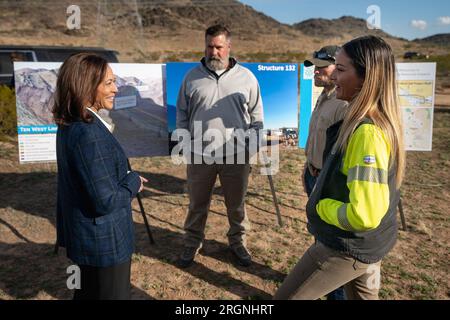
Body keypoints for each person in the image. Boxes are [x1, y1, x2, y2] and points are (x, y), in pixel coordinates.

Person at [274, 35, 405, 300]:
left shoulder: (366, 132)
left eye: (341, 70)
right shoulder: (367, 120)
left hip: (346, 247)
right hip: (365, 246)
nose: (333, 77)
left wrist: (320, 205)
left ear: (367, 77)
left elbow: (364, 215)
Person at [52, 53, 147, 300]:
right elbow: (105, 201)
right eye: (108, 83)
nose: (116, 89)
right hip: (104, 244)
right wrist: (133, 182)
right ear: (86, 85)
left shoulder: (70, 123)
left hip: (87, 239)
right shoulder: (88, 134)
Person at [176, 24, 263, 268]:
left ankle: (238, 242)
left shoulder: (247, 77)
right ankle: (192, 243)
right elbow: (182, 113)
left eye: (219, 47)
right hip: (200, 155)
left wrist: (250, 149)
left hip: (236, 155)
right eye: (209, 46)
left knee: (236, 205)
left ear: (229, 47)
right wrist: (185, 142)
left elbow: (257, 116)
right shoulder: (192, 77)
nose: (214, 52)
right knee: (197, 204)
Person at [302, 46, 348, 300]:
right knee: (320, 233)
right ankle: (320, 282)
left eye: (322, 66)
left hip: (328, 181)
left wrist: (322, 177)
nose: (316, 71)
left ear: (338, 68)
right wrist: (309, 167)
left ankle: (335, 293)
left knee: (331, 240)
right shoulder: (325, 94)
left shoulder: (343, 103)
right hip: (314, 174)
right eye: (315, 66)